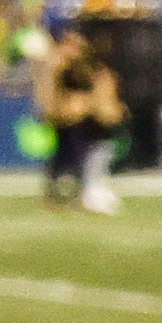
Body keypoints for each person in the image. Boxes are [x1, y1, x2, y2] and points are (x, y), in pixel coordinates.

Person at [36, 27, 123, 214]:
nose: (72, 51)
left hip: (94, 138)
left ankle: (88, 188)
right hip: (68, 136)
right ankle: (68, 186)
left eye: (76, 46)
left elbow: (111, 114)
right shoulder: (59, 72)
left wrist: (88, 104)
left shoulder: (99, 74)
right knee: (62, 183)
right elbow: (46, 110)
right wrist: (53, 72)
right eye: (67, 45)